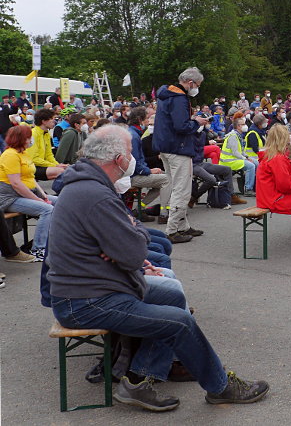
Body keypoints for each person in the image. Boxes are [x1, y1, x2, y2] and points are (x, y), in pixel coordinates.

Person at [46, 125, 269, 411]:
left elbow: (130, 240)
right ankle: (220, 387)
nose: (133, 158)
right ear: (117, 158)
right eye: (129, 152)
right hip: (85, 300)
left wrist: (123, 246)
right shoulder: (95, 194)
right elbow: (134, 249)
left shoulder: (90, 185)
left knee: (174, 298)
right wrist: (126, 246)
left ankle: (140, 380)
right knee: (180, 321)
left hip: (95, 288)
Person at [153, 67, 209, 243]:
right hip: (178, 148)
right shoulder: (179, 99)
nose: (197, 88)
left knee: (175, 186)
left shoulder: (167, 94)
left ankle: (183, 226)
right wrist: (196, 122)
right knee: (182, 189)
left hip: (166, 147)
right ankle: (172, 230)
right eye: (197, 85)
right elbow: (181, 126)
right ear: (190, 82)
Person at [0, 125, 57, 260]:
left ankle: (55, 240)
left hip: (25, 193)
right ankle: (38, 248)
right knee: (47, 209)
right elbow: (16, 184)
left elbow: (31, 178)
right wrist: (39, 200)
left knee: (62, 201)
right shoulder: (10, 155)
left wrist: (43, 195)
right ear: (20, 139)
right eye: (28, 137)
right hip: (9, 197)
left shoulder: (23, 153)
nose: (31, 140)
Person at [128, 107, 172, 218]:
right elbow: (136, 163)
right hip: (133, 176)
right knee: (167, 179)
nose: (148, 123)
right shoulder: (134, 136)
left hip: (133, 174)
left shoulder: (133, 133)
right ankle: (164, 214)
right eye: (147, 119)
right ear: (139, 119)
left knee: (161, 176)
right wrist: (149, 171)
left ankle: (140, 208)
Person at [220, 117, 257, 198]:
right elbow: (235, 152)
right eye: (243, 124)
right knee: (251, 166)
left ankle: (256, 186)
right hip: (228, 161)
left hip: (234, 159)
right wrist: (245, 159)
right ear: (238, 126)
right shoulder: (233, 136)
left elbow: (241, 151)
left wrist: (247, 157)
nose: (245, 125)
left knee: (256, 162)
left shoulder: (239, 135)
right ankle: (248, 189)